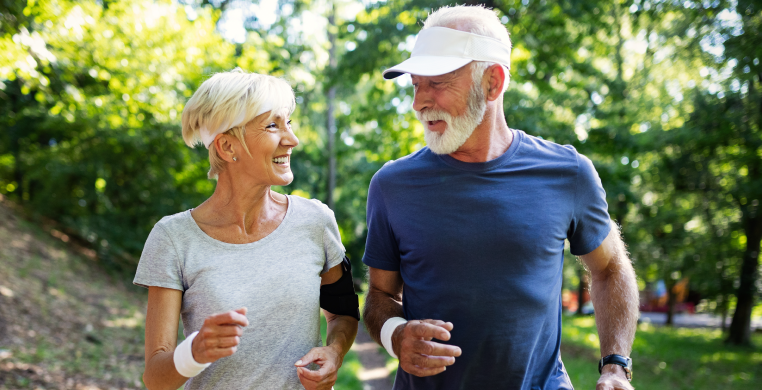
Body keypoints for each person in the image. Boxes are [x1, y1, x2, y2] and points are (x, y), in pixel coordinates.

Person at [361, 6, 639, 390]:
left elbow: (610, 269)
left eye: (437, 83)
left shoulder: (568, 172)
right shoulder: (392, 185)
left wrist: (615, 366)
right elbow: (379, 295)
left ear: (493, 82)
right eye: (415, 84)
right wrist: (395, 335)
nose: (418, 102)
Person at [134, 69, 358, 390]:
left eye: (289, 123)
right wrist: (193, 353)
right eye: (272, 125)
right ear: (226, 147)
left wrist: (335, 352)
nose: (292, 139)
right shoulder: (173, 238)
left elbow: (343, 313)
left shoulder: (316, 221)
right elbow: (155, 377)